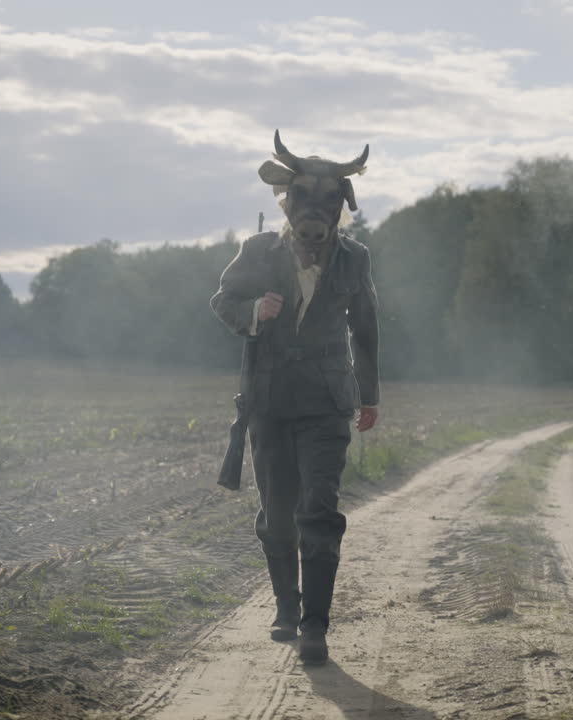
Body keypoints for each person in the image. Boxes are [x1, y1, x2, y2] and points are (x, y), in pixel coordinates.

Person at [210, 131, 380, 665]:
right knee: (277, 514)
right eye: (304, 200)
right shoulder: (258, 253)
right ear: (287, 203)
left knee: (319, 510)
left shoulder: (355, 259)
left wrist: (369, 395)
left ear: (341, 208)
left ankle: (315, 627)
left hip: (329, 402)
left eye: (329, 202)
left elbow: (367, 329)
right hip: (270, 401)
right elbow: (223, 300)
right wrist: (254, 311)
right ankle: (287, 607)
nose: (315, 215)